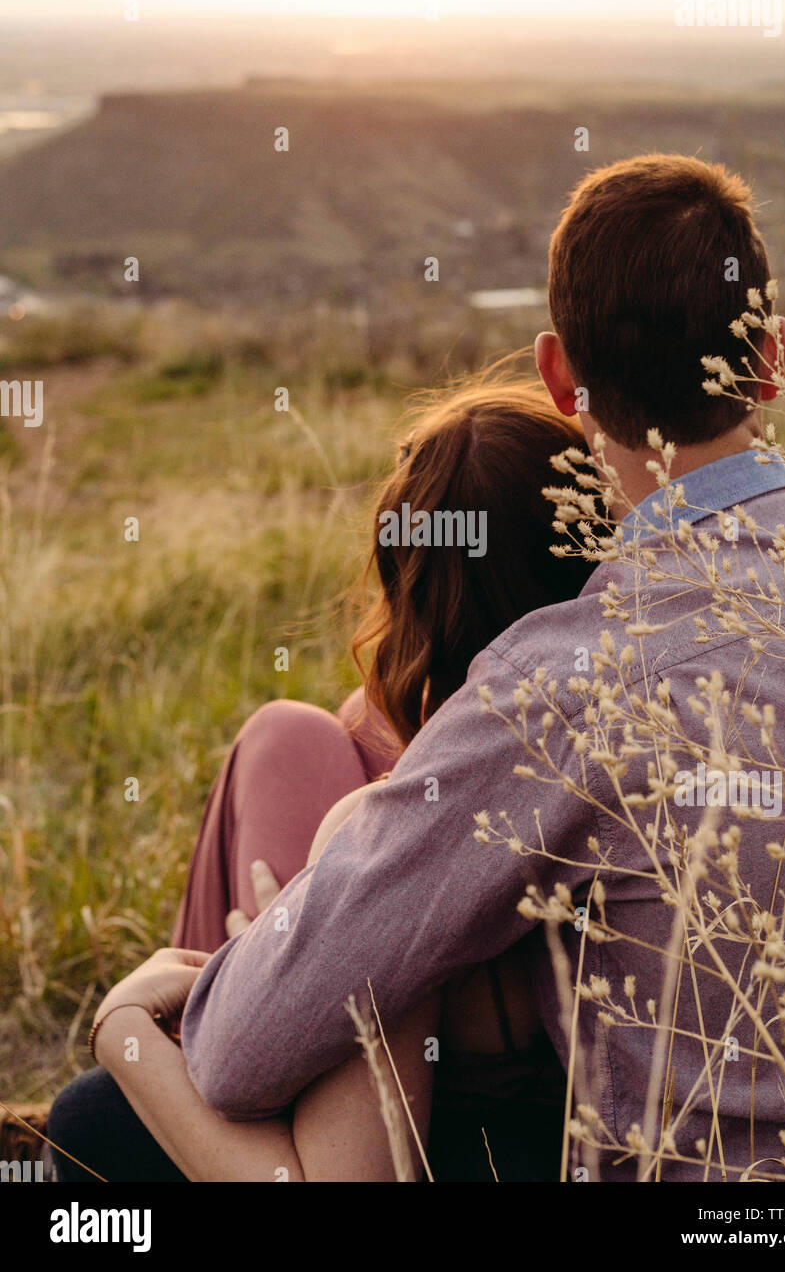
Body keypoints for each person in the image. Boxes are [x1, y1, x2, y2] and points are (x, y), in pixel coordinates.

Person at [48, 378, 596, 1182]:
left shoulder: (393, 848)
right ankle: (257, 975)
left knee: (89, 1113)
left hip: (415, 1130)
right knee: (331, 729)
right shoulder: (649, 735)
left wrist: (126, 1024)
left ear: (412, 603)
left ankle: (229, 988)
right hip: (544, 1098)